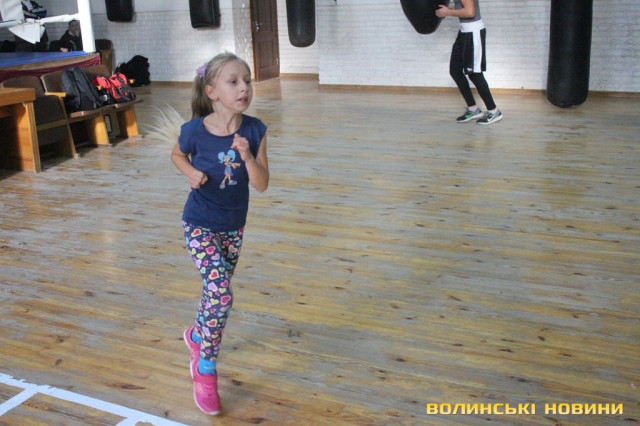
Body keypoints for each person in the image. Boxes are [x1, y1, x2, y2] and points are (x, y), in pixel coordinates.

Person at [171, 52, 270, 415]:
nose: (244, 88)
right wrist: (190, 173)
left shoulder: (255, 130)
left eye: (247, 81)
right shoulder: (194, 131)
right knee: (221, 294)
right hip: (198, 223)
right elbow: (177, 155)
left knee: (216, 294)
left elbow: (261, 184)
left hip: (233, 228)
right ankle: (205, 369)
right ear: (211, 91)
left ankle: (197, 335)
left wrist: (248, 158)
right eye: (234, 82)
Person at [436, 0, 503, 124]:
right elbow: (464, 7)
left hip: (473, 32)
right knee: (455, 71)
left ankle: (494, 111)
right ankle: (473, 109)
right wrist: (449, 9)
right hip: (464, 32)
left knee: (475, 74)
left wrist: (448, 12)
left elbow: (470, 12)